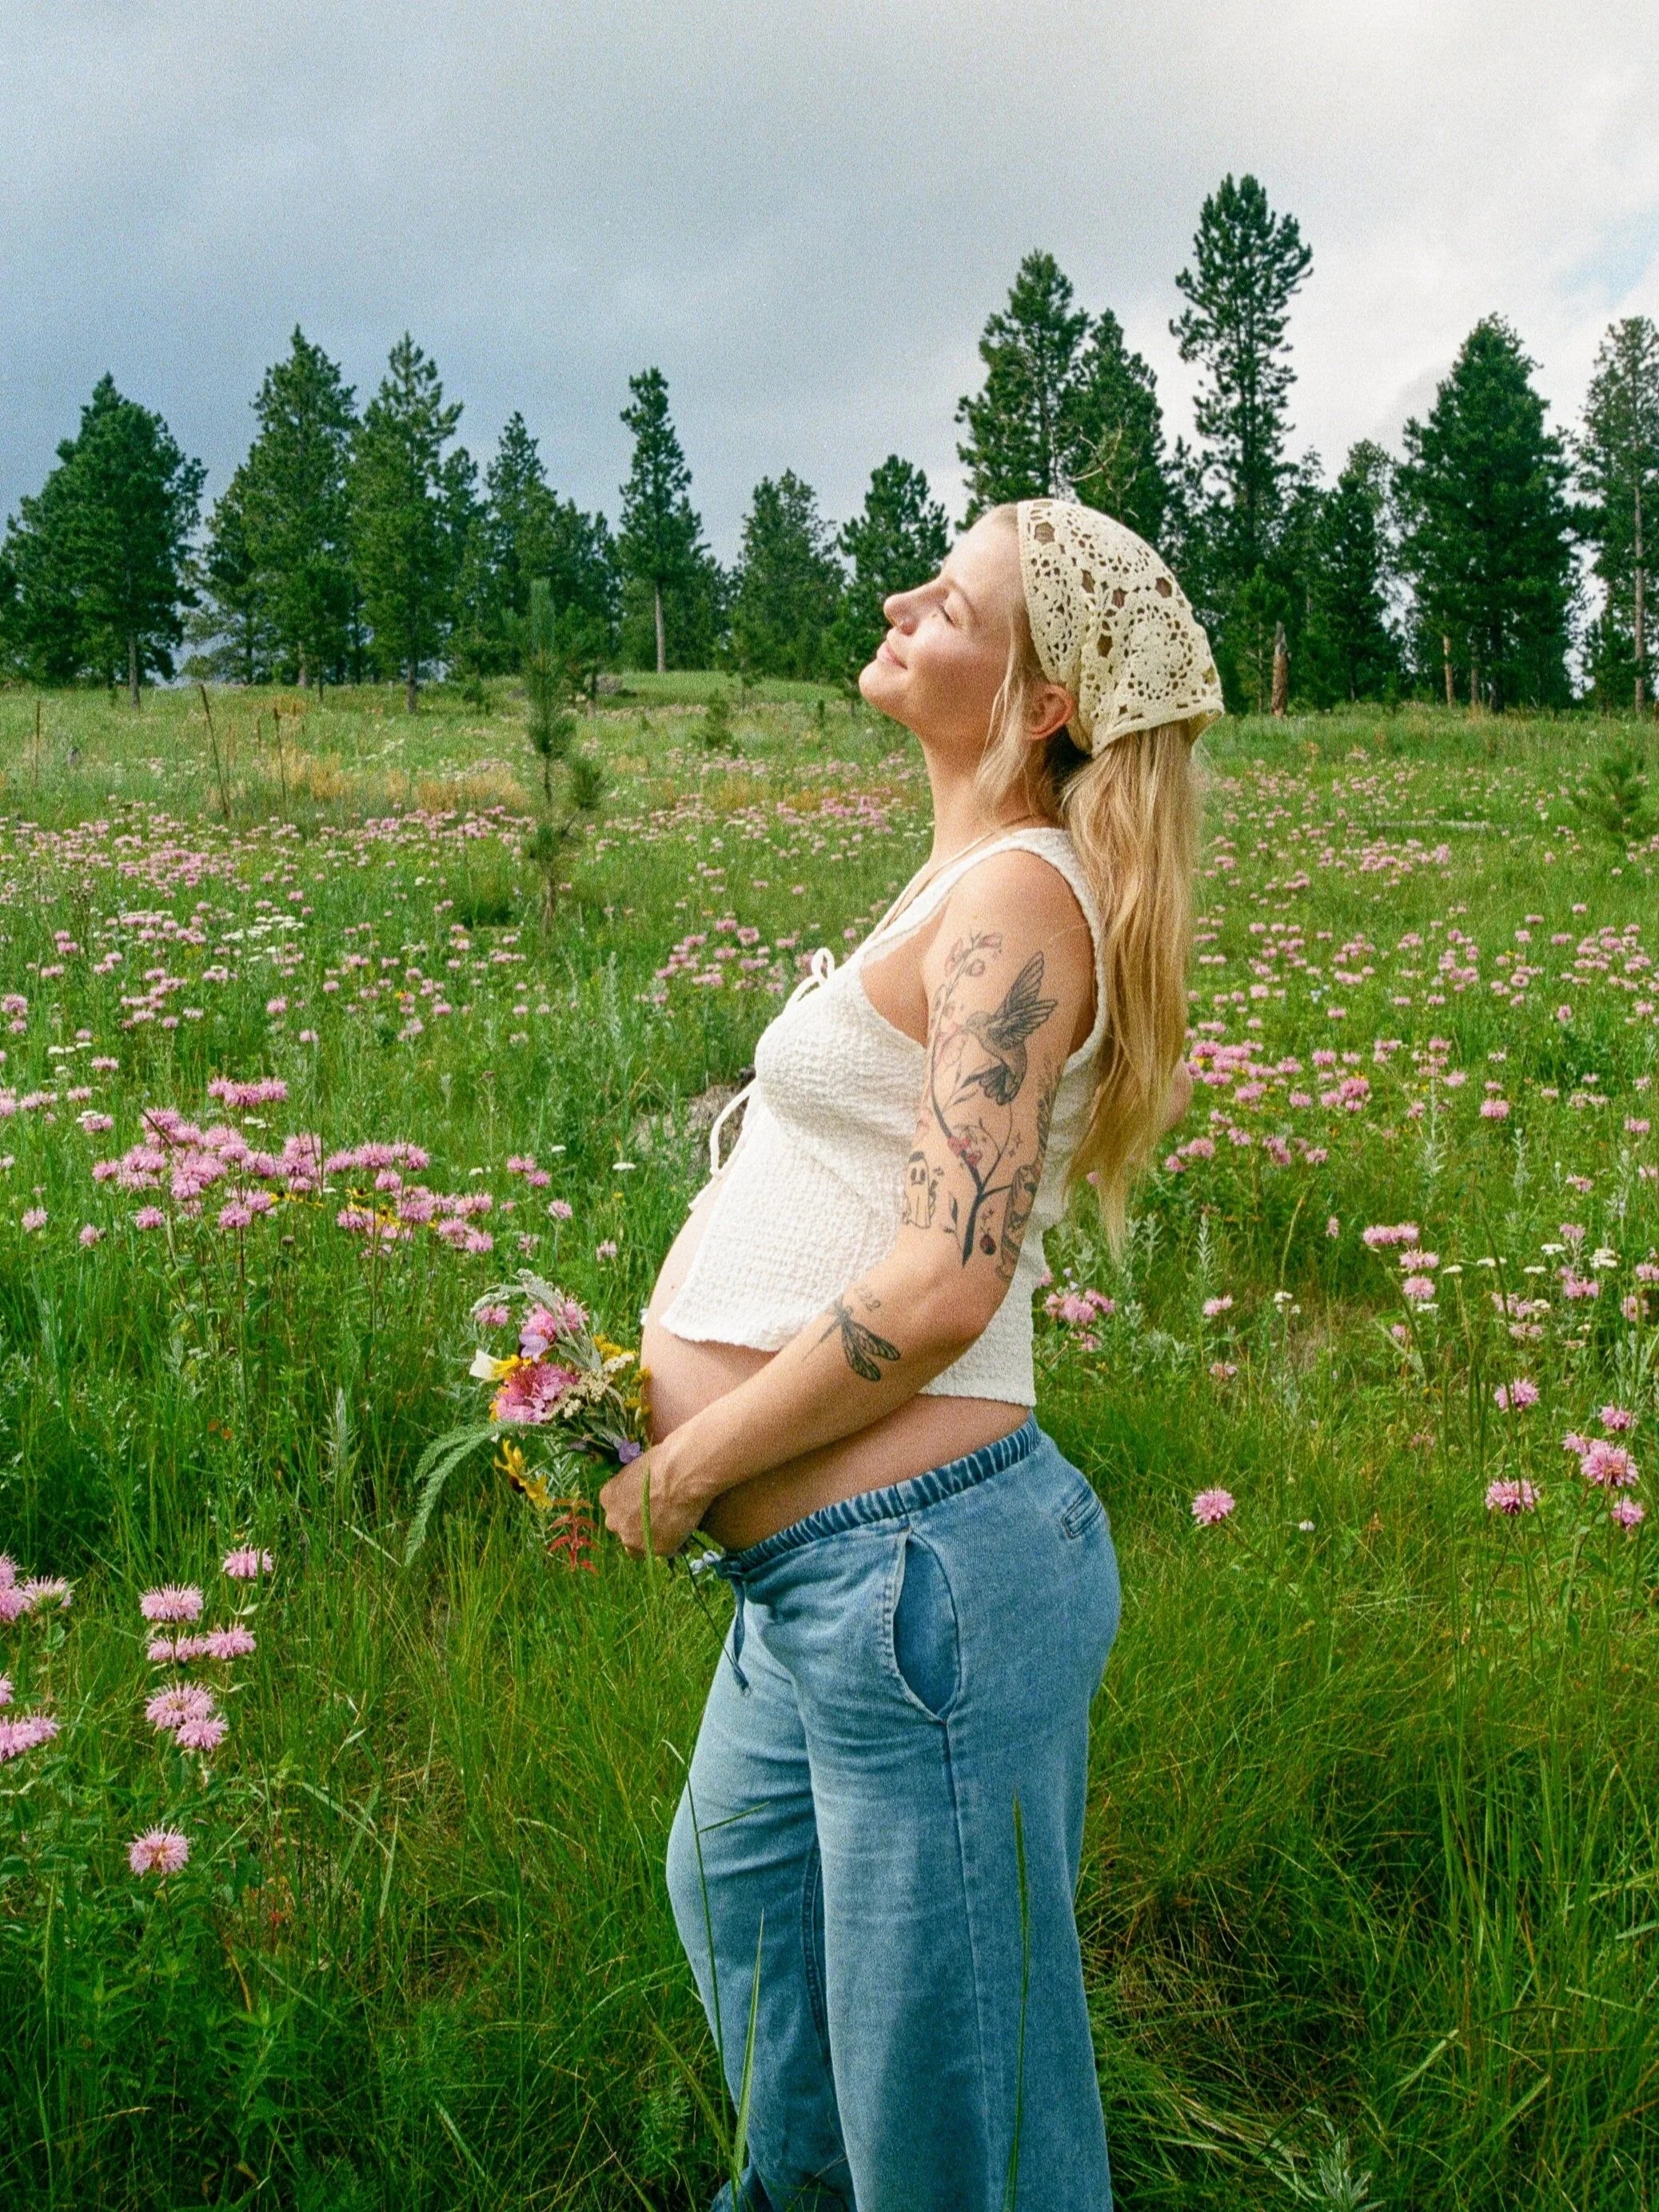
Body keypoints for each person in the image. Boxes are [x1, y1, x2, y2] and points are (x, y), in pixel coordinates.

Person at [600, 498, 1222, 2211]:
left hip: (915, 1587)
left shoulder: (1019, 901)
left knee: (956, 2129)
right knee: (746, 1936)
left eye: (945, 599)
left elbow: (944, 1284)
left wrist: (686, 1467)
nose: (896, 597)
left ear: (1035, 699)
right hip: (821, 1590)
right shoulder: (963, 875)